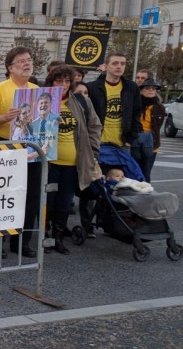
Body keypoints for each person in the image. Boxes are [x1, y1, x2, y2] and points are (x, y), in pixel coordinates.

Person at [0, 46, 40, 259]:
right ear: (10, 68)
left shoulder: (37, 89)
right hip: (5, 147)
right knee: (2, 196)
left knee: (31, 198)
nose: (27, 64)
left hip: (32, 149)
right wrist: (5, 118)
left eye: (29, 60)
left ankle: (21, 242)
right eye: (22, 61)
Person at [43, 65, 102, 255]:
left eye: (67, 81)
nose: (63, 84)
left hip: (72, 163)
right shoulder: (43, 99)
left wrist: (93, 151)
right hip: (49, 163)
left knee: (64, 203)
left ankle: (58, 239)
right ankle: (45, 239)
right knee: (48, 203)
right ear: (51, 82)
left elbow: (94, 125)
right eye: (59, 81)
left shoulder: (80, 101)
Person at [84, 51, 141, 237]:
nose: (119, 66)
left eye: (123, 63)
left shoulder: (131, 87)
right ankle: (87, 224)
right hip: (98, 142)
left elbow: (136, 114)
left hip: (120, 144)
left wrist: (131, 138)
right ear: (106, 66)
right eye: (115, 63)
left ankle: (114, 222)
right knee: (92, 183)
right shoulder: (93, 87)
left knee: (119, 184)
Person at [136, 78, 165, 182]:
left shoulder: (160, 107)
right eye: (147, 88)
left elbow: (158, 126)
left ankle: (146, 195)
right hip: (136, 139)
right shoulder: (135, 104)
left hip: (151, 141)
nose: (151, 90)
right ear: (142, 90)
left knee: (146, 173)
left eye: (153, 88)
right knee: (133, 170)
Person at [30, 92, 60, 158]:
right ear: (37, 106)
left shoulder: (57, 120)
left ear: (51, 104)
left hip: (52, 158)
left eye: (46, 102)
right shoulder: (33, 124)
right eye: (41, 103)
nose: (43, 105)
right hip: (36, 158)